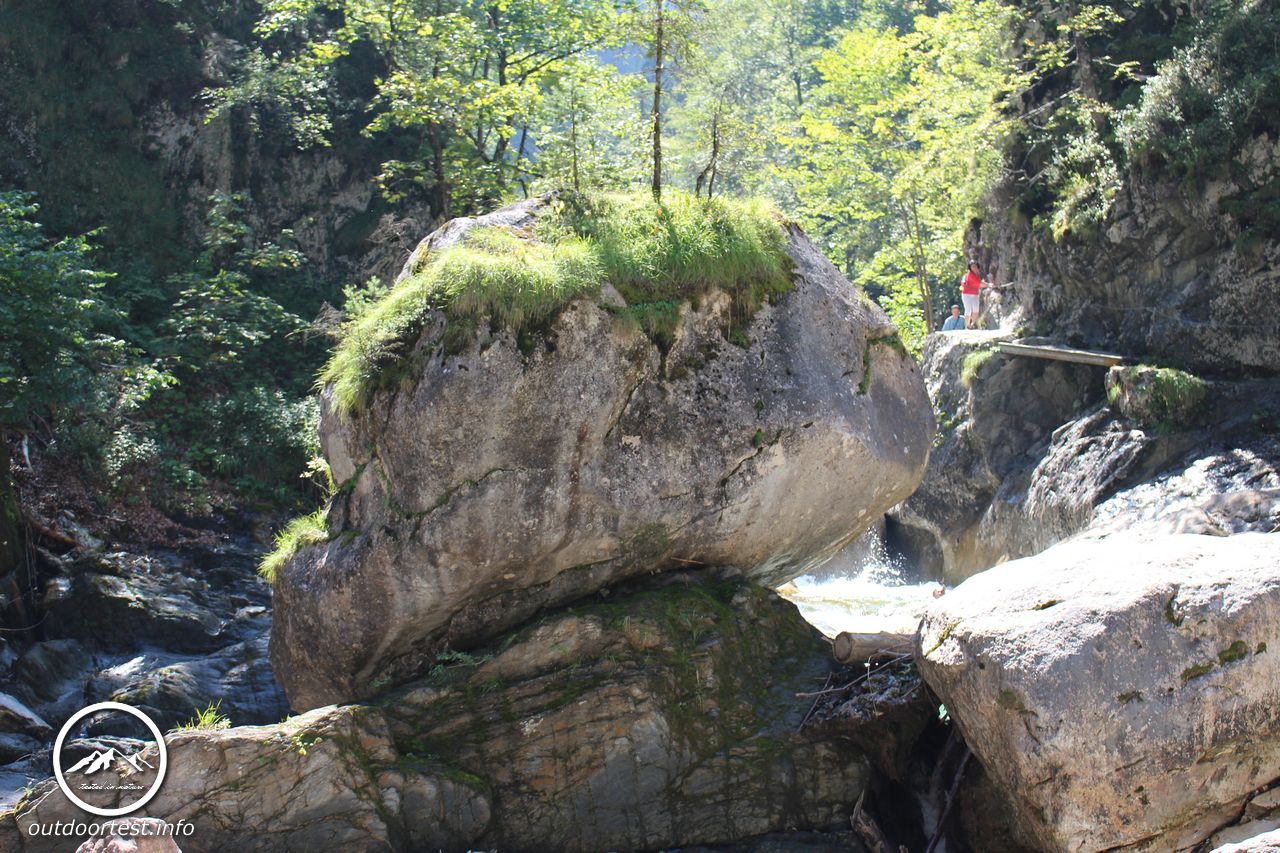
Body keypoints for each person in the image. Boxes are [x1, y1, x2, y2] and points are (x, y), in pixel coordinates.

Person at [960, 260, 988, 329]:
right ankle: (967, 325)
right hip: (966, 294)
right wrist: (989, 285)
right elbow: (979, 284)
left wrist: (988, 284)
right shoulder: (970, 275)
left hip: (974, 294)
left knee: (976, 309)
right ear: (970, 268)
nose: (974, 268)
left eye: (975, 266)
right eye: (972, 267)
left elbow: (979, 282)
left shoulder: (977, 274)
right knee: (968, 310)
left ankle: (974, 324)